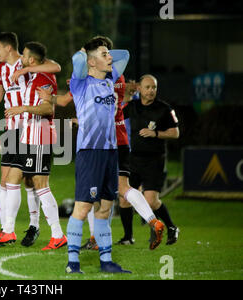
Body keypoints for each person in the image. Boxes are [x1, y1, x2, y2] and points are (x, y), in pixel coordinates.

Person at [0, 32, 61, 247]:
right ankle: (6, 229)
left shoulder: (29, 62)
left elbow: (55, 67)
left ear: (9, 47)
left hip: (32, 127)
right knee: (8, 180)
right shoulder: (2, 70)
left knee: (30, 180)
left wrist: (26, 69)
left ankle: (34, 225)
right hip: (13, 129)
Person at [64, 36, 131, 274]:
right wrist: (86, 50)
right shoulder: (80, 83)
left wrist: (102, 48)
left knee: (105, 208)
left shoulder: (110, 80)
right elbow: (77, 59)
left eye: (108, 54)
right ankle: (72, 263)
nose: (110, 57)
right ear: (91, 62)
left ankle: (106, 261)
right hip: (90, 152)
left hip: (110, 152)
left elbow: (125, 55)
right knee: (83, 207)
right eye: (104, 55)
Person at [3, 41, 67, 250]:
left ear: (31, 59)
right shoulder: (32, 75)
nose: (20, 59)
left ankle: (57, 234)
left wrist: (22, 108)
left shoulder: (43, 78)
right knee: (13, 178)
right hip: (29, 136)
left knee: (40, 185)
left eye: (24, 56)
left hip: (41, 136)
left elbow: (47, 108)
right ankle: (8, 230)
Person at [123, 74, 180, 246]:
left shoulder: (163, 109)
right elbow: (114, 115)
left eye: (154, 87)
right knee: (125, 198)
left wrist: (155, 133)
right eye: (147, 87)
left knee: (151, 201)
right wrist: (125, 92)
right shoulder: (132, 106)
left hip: (154, 161)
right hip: (133, 160)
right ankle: (128, 237)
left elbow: (175, 133)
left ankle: (171, 227)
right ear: (139, 89)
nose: (151, 91)